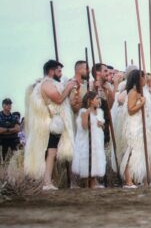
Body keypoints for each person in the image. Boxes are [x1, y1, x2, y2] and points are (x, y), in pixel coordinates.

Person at [23, 60, 76, 190]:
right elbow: (58, 99)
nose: (61, 73)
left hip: (53, 124)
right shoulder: (47, 84)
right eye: (59, 71)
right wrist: (68, 88)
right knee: (50, 152)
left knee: (52, 152)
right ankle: (46, 182)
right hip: (49, 125)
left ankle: (47, 181)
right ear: (51, 71)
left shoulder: (50, 84)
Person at [120, 69, 151, 188]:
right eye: (144, 77)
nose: (146, 79)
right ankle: (129, 181)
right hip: (135, 126)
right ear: (138, 79)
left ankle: (143, 181)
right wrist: (142, 103)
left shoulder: (142, 91)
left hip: (143, 124)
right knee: (132, 152)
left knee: (143, 152)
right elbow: (130, 110)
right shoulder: (133, 92)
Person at [72, 91, 106, 188]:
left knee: (96, 158)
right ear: (90, 101)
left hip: (97, 141)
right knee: (88, 159)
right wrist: (87, 113)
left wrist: (101, 124)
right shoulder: (84, 111)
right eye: (96, 98)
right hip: (88, 142)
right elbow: (84, 126)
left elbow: (102, 126)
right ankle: (88, 182)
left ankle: (94, 180)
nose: (99, 100)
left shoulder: (100, 112)